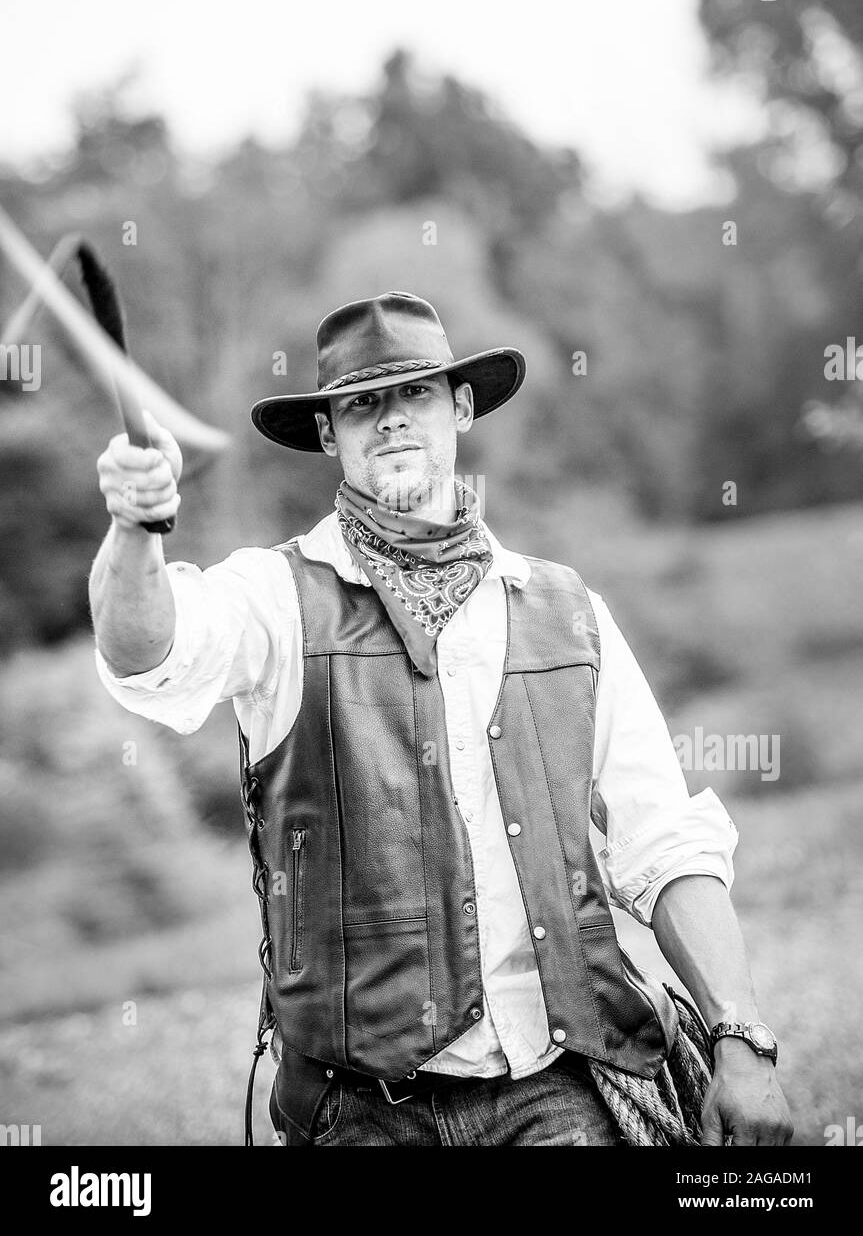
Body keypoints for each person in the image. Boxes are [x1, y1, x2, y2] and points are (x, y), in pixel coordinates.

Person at [89, 291, 792, 1147]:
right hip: (356, 1108)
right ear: (327, 435)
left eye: (413, 393)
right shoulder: (273, 599)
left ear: (460, 406)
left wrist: (739, 1037)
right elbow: (145, 650)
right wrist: (134, 531)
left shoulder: (566, 610)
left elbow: (663, 843)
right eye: (360, 403)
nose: (389, 420)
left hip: (555, 1087)